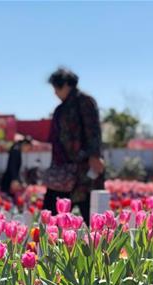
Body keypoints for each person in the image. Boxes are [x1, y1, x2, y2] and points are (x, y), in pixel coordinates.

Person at [42, 67, 104, 225]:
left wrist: (95, 156)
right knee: (51, 214)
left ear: (66, 85)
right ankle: (49, 248)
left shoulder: (84, 101)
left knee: (91, 214)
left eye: (56, 88)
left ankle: (98, 247)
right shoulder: (60, 109)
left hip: (83, 168)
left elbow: (93, 130)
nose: (55, 92)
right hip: (62, 170)